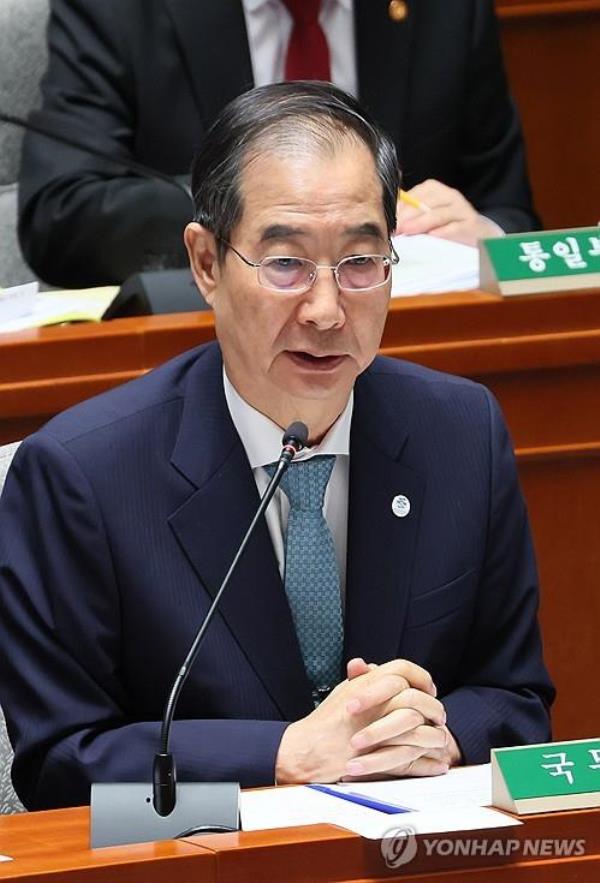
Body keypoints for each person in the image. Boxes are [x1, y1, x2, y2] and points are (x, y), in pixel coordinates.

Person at [0, 82, 553, 810]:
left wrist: (435, 732)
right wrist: (282, 756)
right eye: (286, 264)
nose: (327, 311)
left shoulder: (462, 433)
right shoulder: (81, 476)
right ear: (205, 264)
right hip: (199, 855)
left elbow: (519, 700)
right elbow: (62, 773)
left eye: (361, 262)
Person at [18, 0, 539, 288]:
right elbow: (62, 212)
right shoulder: (121, 11)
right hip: (194, 364)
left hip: (418, 354)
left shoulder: (446, 11)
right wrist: (253, 218)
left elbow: (511, 213)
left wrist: (486, 235)